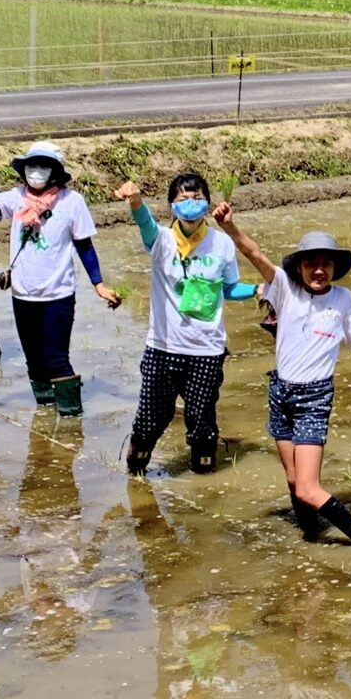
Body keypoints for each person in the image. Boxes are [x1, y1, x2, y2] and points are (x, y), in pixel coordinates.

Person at [217, 219, 351, 541]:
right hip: (280, 393)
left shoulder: (343, 300)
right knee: (295, 480)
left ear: (335, 268)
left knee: (309, 488)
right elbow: (253, 253)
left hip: (314, 399)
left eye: (325, 264)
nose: (319, 270)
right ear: (300, 267)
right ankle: (311, 536)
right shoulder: (284, 288)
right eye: (311, 264)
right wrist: (229, 227)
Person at [111, 172, 256, 476]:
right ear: (171, 205)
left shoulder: (221, 244)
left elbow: (229, 289)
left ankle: (204, 486)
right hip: (163, 348)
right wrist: (136, 202)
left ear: (207, 203)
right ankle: (134, 474)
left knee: (202, 423)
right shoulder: (161, 240)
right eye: (182, 199)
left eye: (197, 198)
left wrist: (258, 290)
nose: (191, 204)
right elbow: (144, 223)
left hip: (207, 350)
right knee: (150, 419)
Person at [0, 140, 117, 415]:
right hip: (23, 294)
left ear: (55, 171)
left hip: (58, 295)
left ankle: (70, 419)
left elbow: (84, 246)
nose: (35, 172)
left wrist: (98, 284)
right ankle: (44, 414)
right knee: (34, 359)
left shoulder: (71, 201)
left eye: (43, 166)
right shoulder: (16, 197)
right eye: (31, 166)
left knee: (57, 359)